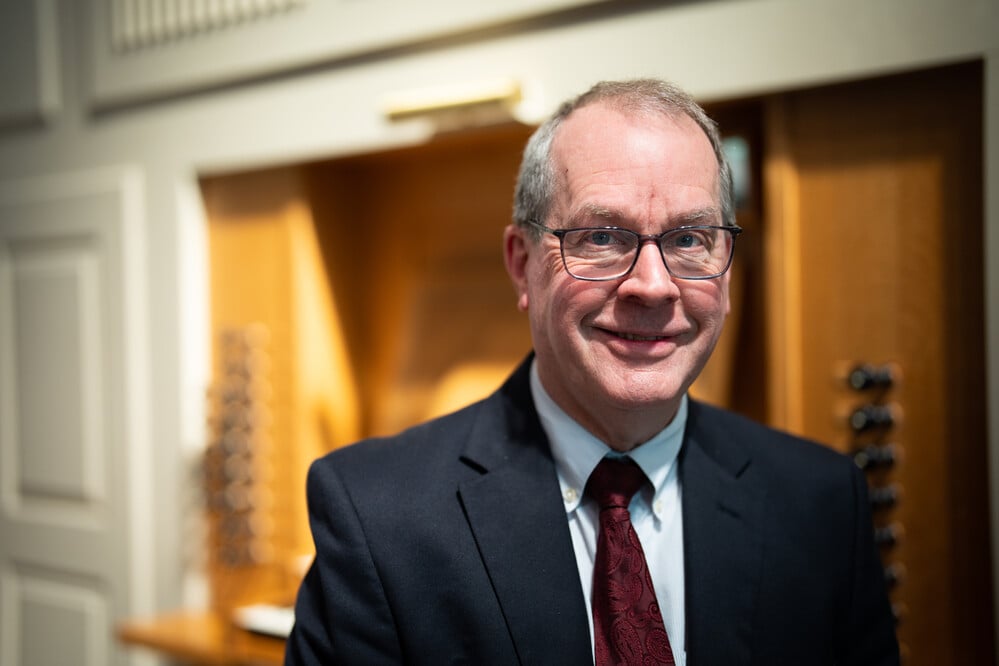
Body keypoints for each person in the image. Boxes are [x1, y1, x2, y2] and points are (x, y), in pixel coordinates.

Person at [285, 79, 900, 665]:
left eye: (690, 240)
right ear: (522, 264)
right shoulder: (376, 517)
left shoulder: (823, 505)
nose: (653, 286)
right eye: (602, 237)